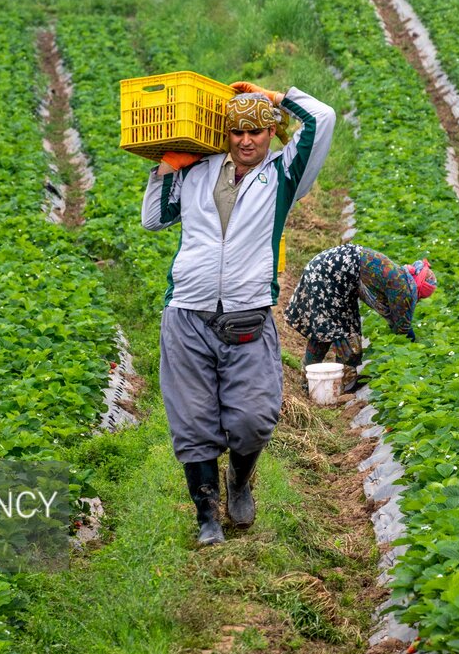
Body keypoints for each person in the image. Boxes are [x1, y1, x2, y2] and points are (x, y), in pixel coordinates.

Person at [141, 80, 335, 546]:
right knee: (193, 423)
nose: (247, 141)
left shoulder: (283, 174)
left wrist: (275, 96)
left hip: (247, 317)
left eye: (257, 131)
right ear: (224, 134)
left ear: (271, 134)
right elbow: (154, 218)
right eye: (236, 132)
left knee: (253, 419)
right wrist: (168, 166)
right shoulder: (199, 171)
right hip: (187, 312)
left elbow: (322, 118)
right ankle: (207, 517)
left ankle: (240, 480)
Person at [284, 244, 436, 389]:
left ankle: (311, 381)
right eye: (420, 296)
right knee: (340, 330)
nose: (417, 299)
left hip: (328, 271)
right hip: (329, 276)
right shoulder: (402, 287)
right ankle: (342, 382)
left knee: (326, 329)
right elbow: (402, 327)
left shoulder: (398, 275)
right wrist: (414, 346)